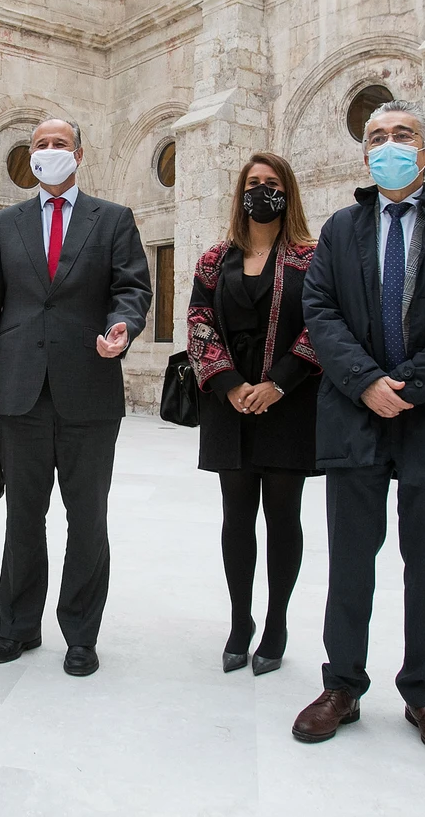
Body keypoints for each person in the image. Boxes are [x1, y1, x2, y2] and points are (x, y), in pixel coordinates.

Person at [293, 100, 425, 761]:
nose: (388, 145)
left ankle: (423, 690)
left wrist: (408, 386)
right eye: (376, 137)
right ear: (366, 157)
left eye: (402, 135)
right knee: (351, 559)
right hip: (356, 413)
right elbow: (320, 311)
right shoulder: (339, 230)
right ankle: (343, 684)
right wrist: (366, 382)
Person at [0, 118, 152, 678]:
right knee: (24, 516)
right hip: (19, 391)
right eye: (40, 145)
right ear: (30, 156)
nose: (50, 152)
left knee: (87, 517)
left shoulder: (113, 219)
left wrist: (122, 326)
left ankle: (80, 634)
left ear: (79, 152)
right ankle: (18, 627)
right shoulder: (6, 224)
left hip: (89, 390)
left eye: (60, 144)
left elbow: (132, 287)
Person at [187, 152, 320, 675]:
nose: (261, 190)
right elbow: (198, 323)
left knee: (284, 517)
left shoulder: (313, 257)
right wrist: (231, 385)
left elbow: (324, 325)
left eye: (271, 183)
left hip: (289, 403)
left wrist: (278, 383)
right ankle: (240, 621)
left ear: (287, 192)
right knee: (236, 517)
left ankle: (277, 622)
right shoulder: (214, 259)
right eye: (252, 182)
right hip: (230, 404)